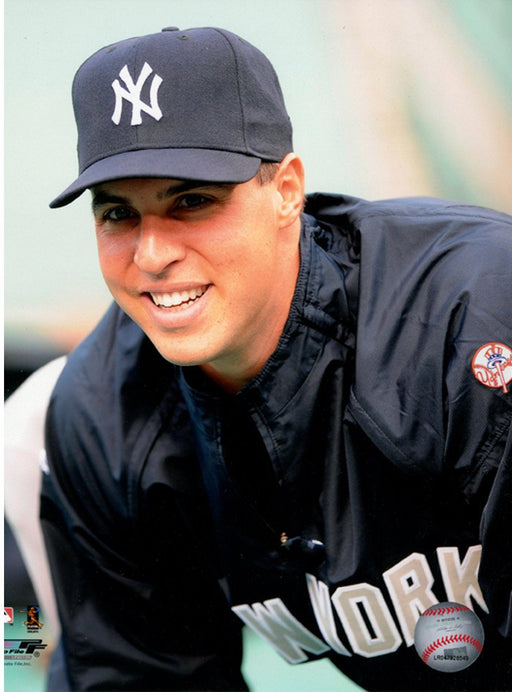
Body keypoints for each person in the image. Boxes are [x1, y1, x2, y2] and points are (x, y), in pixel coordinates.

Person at [41, 26, 511, 691]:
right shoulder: (101, 413)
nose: (151, 255)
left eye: (192, 201)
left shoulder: (471, 321)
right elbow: (135, 675)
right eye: (118, 213)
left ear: (287, 189)